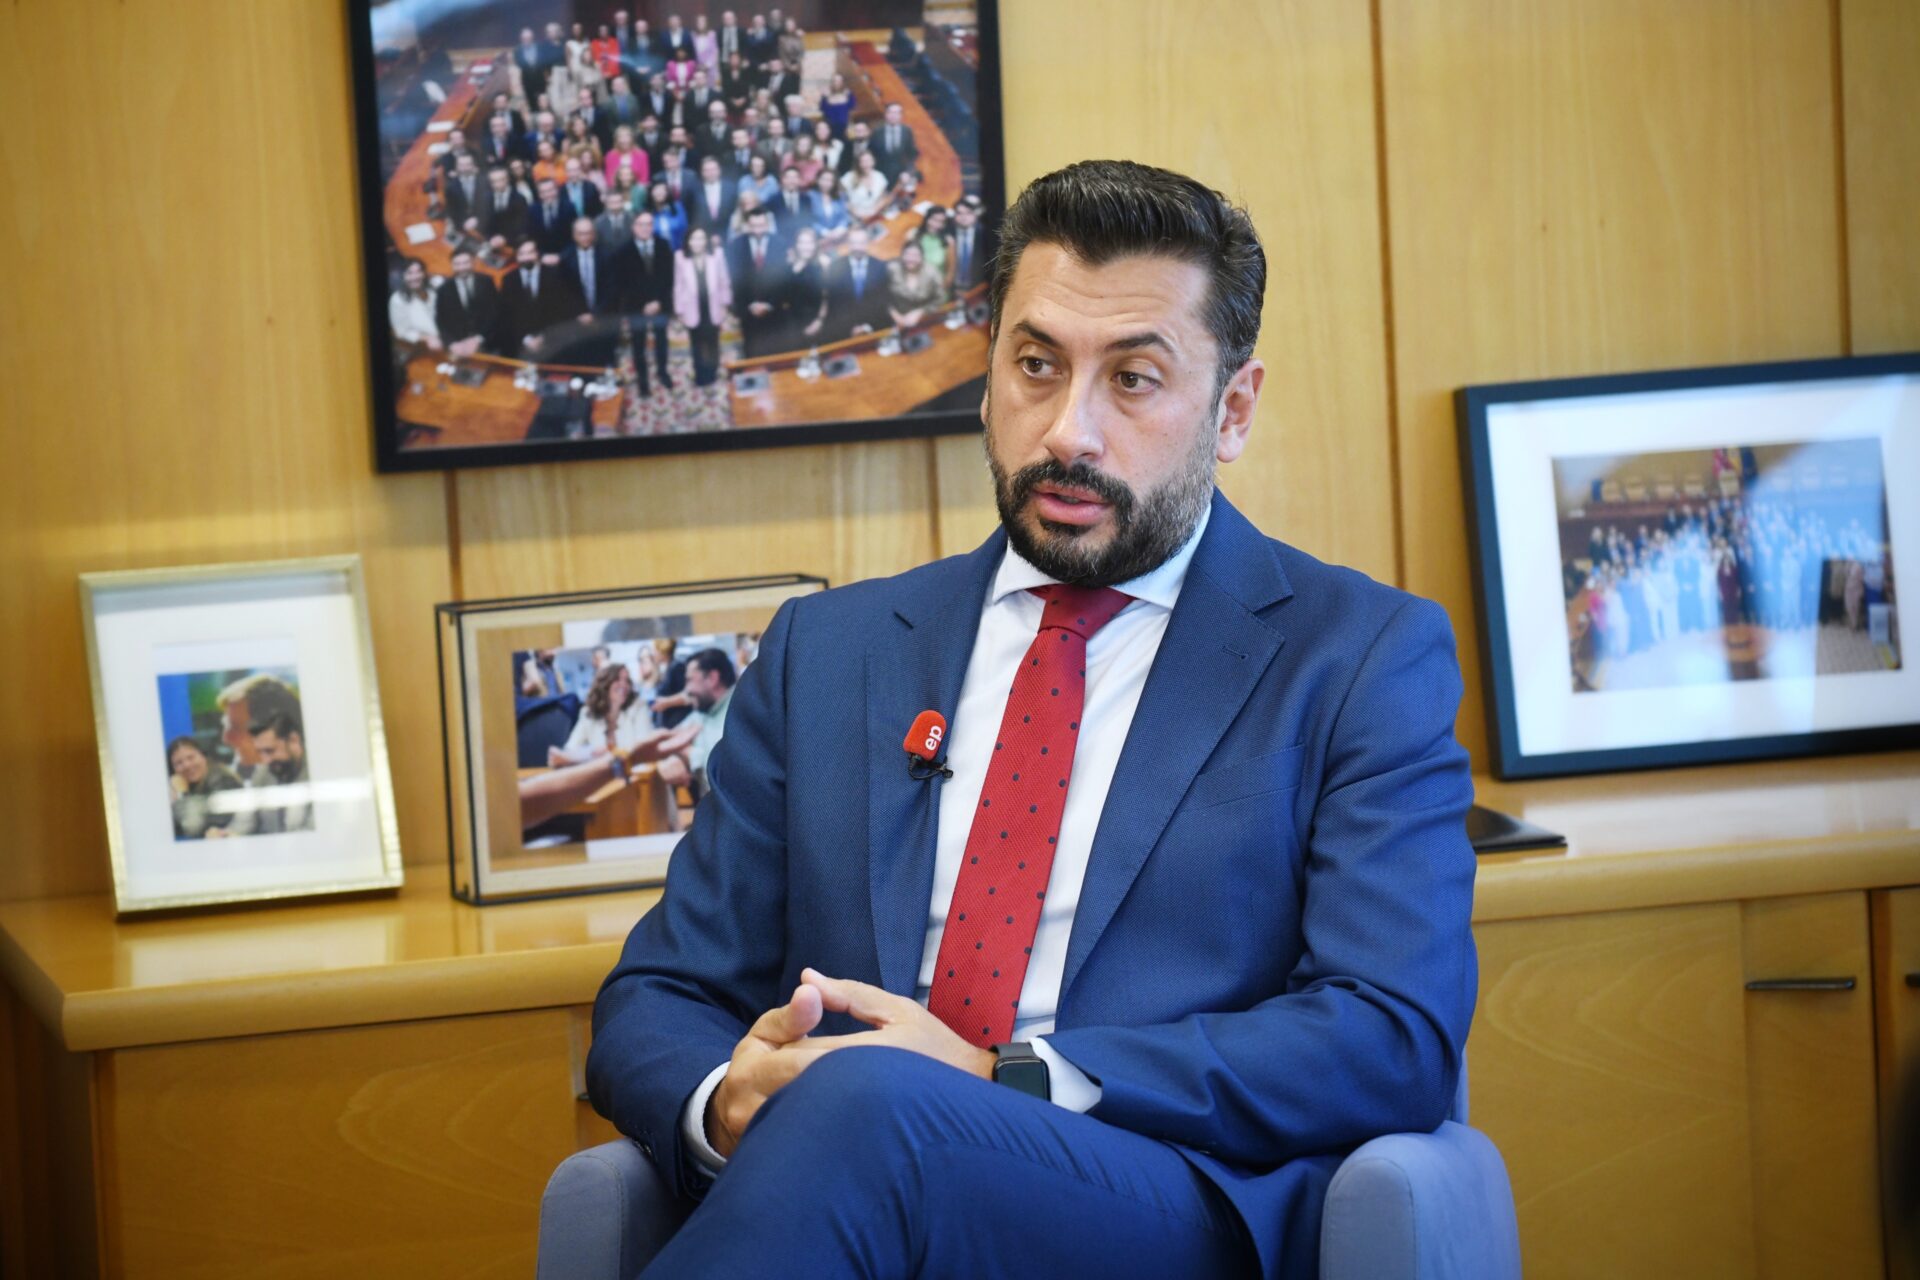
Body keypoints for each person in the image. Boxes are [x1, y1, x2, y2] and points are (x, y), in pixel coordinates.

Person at [587, 159, 1476, 1280]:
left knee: (872, 1097)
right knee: (860, 1105)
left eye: (1134, 379)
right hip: (844, 1179)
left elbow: (1389, 1031)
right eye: (1037, 365)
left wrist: (1006, 1074)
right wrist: (730, 1101)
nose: (1068, 432)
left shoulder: (1357, 656)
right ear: (989, 373)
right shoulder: (830, 652)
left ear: (1234, 409)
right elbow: (660, 993)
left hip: (1158, 1195)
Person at [613, 208, 676, 395]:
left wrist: (658, 302)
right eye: (641, 224)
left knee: (661, 341)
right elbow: (623, 284)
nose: (645, 228)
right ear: (633, 227)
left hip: (660, 304)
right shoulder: (623, 251)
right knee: (638, 344)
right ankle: (643, 379)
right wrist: (644, 305)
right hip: (636, 307)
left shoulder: (663, 245)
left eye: (649, 224)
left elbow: (669, 277)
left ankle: (662, 372)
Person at [557, 661, 651, 763]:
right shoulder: (588, 713)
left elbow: (645, 746)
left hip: (634, 767)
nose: (624, 685)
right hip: (601, 770)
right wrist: (590, 753)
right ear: (605, 684)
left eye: (627, 680)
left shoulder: (639, 707)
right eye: (617, 679)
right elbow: (570, 749)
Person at [674, 227, 731, 388]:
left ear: (706, 240)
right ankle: (700, 375)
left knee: (713, 342)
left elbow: (724, 281)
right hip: (692, 308)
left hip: (713, 307)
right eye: (693, 238)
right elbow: (678, 285)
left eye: (701, 238)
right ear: (688, 241)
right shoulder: (680, 257)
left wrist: (725, 304)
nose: (697, 242)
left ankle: (712, 372)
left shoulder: (717, 255)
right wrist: (680, 310)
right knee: (696, 344)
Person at [727, 208, 784, 358]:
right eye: (754, 226)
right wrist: (750, 305)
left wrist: (769, 304)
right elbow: (735, 279)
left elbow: (782, 279)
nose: (758, 230)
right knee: (751, 350)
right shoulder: (736, 245)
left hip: (773, 309)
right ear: (747, 225)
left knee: (774, 350)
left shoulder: (780, 243)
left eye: (761, 225)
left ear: (767, 225)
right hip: (748, 309)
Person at [248, 712, 314, 835]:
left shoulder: (318, 771)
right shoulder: (263, 773)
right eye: (260, 752)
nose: (265, 760)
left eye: (270, 751)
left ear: (294, 740)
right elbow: (244, 822)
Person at [167, 736, 244, 840]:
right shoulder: (189, 784)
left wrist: (183, 794)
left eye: (191, 758)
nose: (187, 765)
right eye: (178, 763)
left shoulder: (223, 780)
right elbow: (172, 828)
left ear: (203, 756)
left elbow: (194, 828)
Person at [822, 224, 891, 339]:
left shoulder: (880, 267)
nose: (857, 247)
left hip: (875, 329)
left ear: (868, 243)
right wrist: (849, 328)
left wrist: (867, 327)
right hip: (843, 331)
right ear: (848, 244)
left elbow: (883, 302)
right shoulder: (835, 268)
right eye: (854, 243)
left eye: (861, 243)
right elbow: (834, 305)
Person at [435, 248, 496, 357]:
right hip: (459, 345)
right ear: (452, 265)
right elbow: (441, 320)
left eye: (466, 263)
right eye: (457, 264)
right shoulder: (443, 290)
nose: (462, 268)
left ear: (473, 262)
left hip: (487, 341)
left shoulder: (487, 281)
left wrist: (478, 339)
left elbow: (494, 313)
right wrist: (452, 343)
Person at [885, 240, 945, 330]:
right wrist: (895, 316)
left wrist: (921, 311)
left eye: (915, 255)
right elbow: (881, 297)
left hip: (923, 321)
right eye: (907, 254)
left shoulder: (932, 273)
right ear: (902, 255)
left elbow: (939, 299)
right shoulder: (892, 269)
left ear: (922, 257)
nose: (911, 259)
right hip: (893, 321)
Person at [387, 260, 441, 351]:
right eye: (409, 273)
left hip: (443, 339)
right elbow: (402, 332)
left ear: (424, 274)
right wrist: (427, 338)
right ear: (403, 276)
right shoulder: (397, 299)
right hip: (420, 347)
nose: (415, 277)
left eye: (418, 272)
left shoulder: (432, 292)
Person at [871, 100, 919, 180]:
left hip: (902, 175)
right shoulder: (877, 132)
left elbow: (912, 154)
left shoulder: (907, 131)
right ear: (886, 114)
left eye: (897, 113)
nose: (893, 115)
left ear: (901, 115)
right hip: (880, 175)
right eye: (890, 112)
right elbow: (871, 153)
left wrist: (908, 172)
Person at [839, 148, 888, 222]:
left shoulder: (879, 177)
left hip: (875, 217)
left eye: (868, 161)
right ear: (858, 164)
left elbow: (884, 197)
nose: (866, 164)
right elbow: (839, 196)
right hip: (855, 218)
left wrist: (875, 211)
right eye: (863, 161)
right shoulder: (849, 177)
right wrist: (854, 212)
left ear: (873, 162)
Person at [818, 73, 854, 137]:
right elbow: (822, 108)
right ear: (832, 82)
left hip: (844, 127)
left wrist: (846, 97)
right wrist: (825, 97)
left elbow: (852, 106)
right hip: (830, 127)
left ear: (843, 82)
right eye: (835, 81)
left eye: (839, 81)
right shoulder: (826, 94)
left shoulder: (848, 93)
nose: (837, 83)